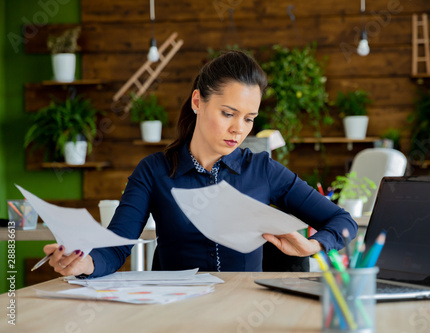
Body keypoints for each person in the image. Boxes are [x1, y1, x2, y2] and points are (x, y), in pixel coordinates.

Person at [43, 50, 357, 277]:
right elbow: (117, 246)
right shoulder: (154, 171)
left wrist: (313, 246)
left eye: (249, 118)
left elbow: (344, 222)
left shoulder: (263, 170)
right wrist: (85, 263)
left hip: (245, 313)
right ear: (198, 102)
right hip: (175, 312)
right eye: (228, 113)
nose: (239, 129)